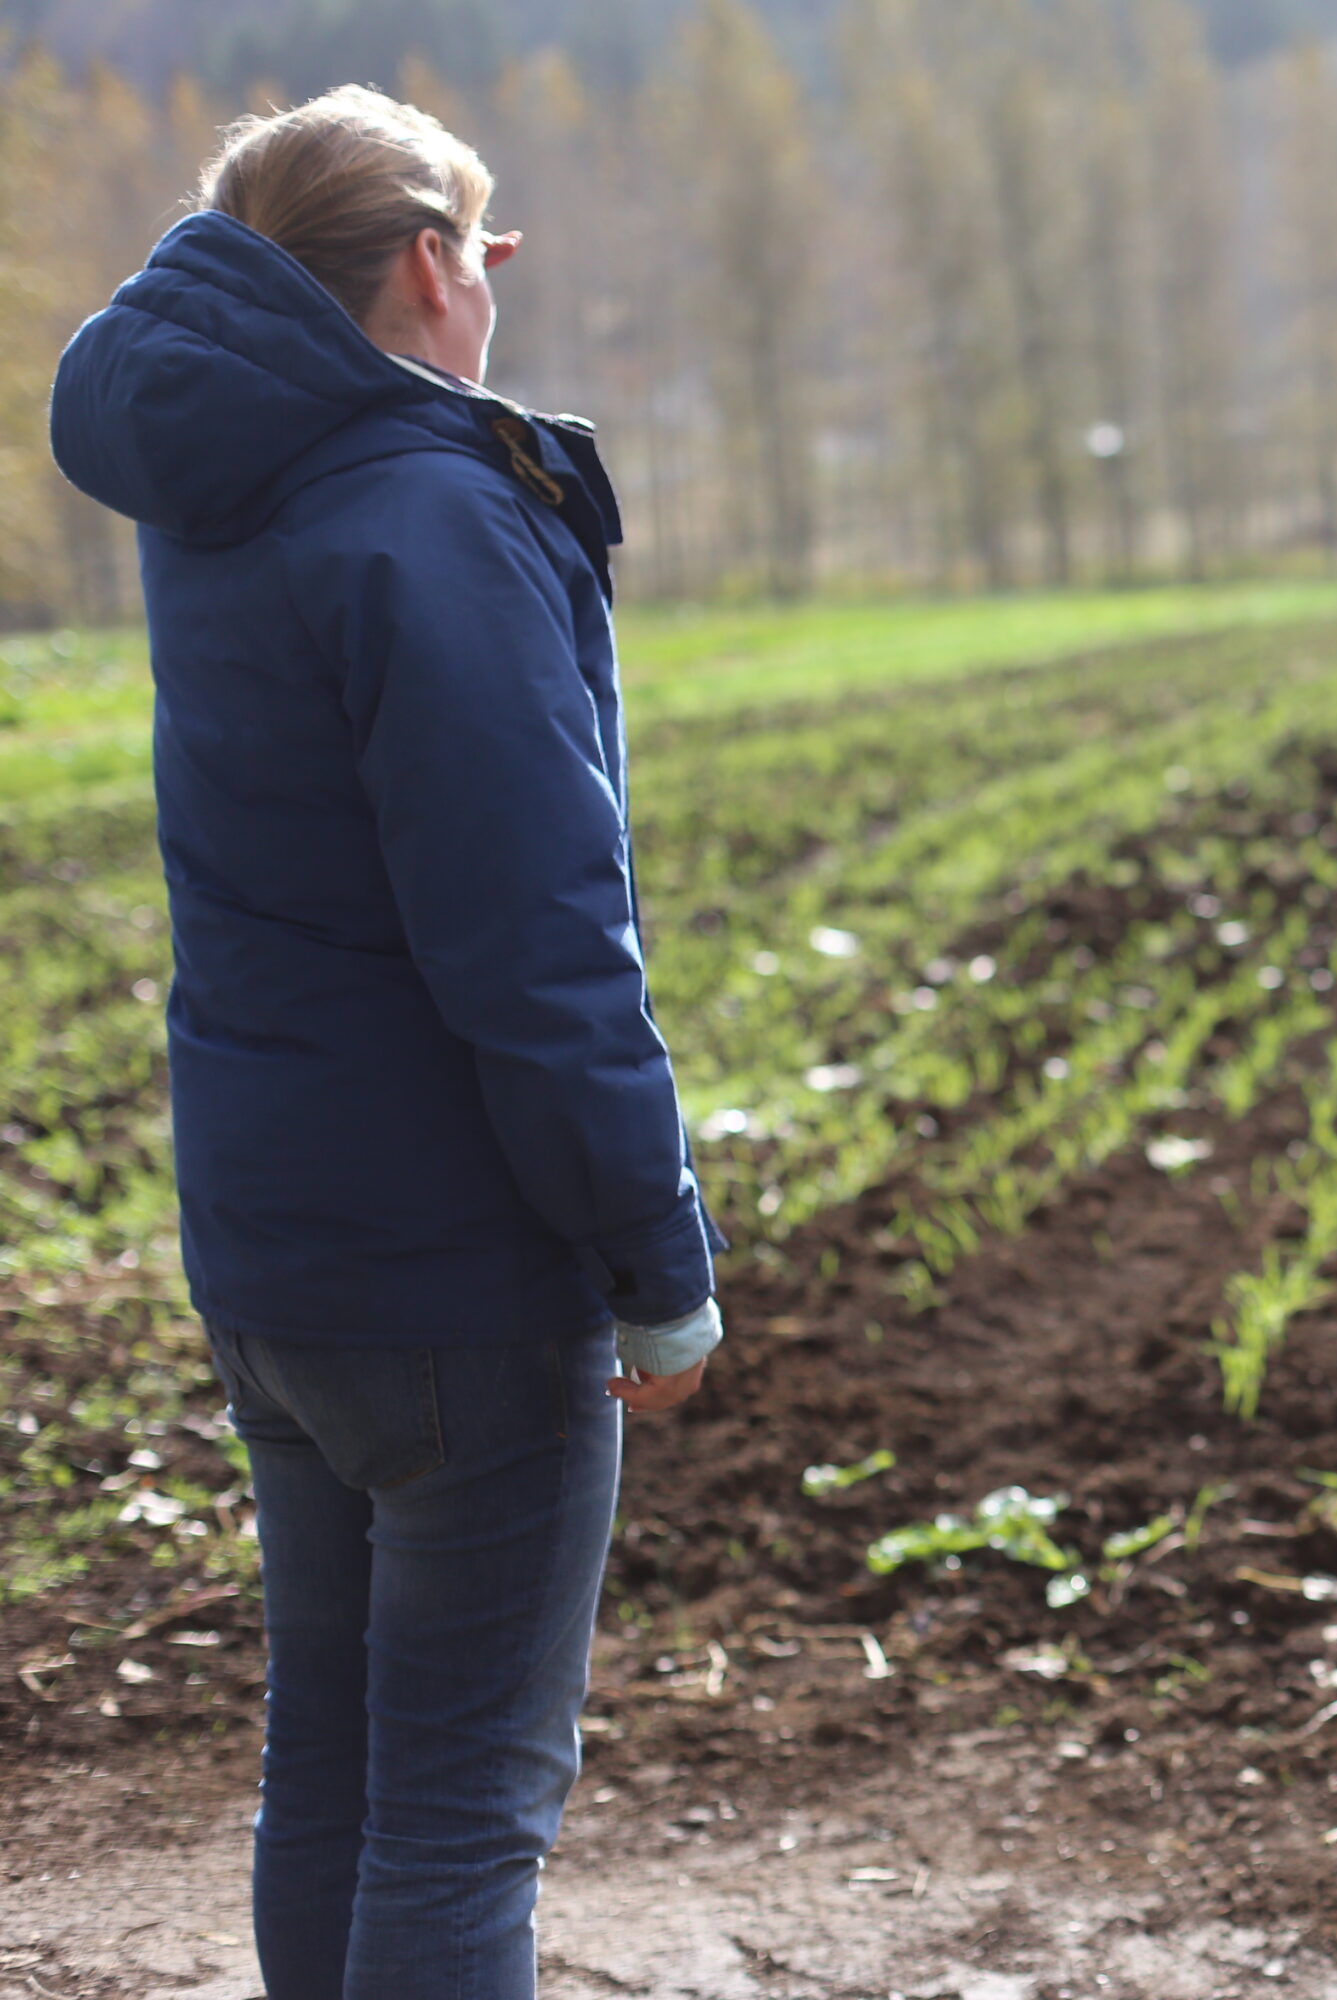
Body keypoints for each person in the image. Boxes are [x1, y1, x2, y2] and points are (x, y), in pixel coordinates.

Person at [51, 88, 724, 2000]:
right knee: (455, 1818)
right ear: (434, 262)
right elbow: (535, 950)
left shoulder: (231, 485)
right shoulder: (431, 508)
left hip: (278, 1252)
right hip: (457, 1271)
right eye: (484, 256)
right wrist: (654, 1260)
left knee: (332, 1777)